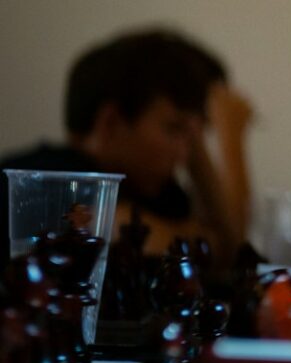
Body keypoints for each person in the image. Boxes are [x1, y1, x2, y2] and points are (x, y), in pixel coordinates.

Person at [0, 26, 254, 267]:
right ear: (111, 123)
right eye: (174, 129)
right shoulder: (41, 179)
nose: (183, 153)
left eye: (193, 138)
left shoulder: (160, 194)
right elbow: (119, 233)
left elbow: (228, 251)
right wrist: (230, 142)